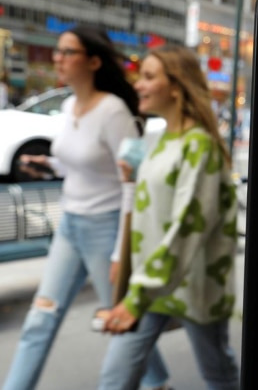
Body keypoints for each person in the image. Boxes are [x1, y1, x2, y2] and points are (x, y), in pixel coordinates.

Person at [2, 26, 171, 390]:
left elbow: (131, 180)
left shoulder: (113, 113)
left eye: (67, 52)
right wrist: (47, 165)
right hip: (70, 226)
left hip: (106, 229)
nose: (57, 59)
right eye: (58, 52)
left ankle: (157, 384)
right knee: (40, 318)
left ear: (93, 61)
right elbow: (79, 162)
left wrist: (118, 252)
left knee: (122, 322)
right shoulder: (68, 106)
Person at [98, 45, 240, 390]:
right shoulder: (162, 139)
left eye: (148, 77)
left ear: (176, 86)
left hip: (194, 284)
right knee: (115, 377)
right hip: (151, 284)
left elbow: (187, 226)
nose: (138, 85)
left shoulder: (199, 145)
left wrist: (134, 297)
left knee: (218, 375)